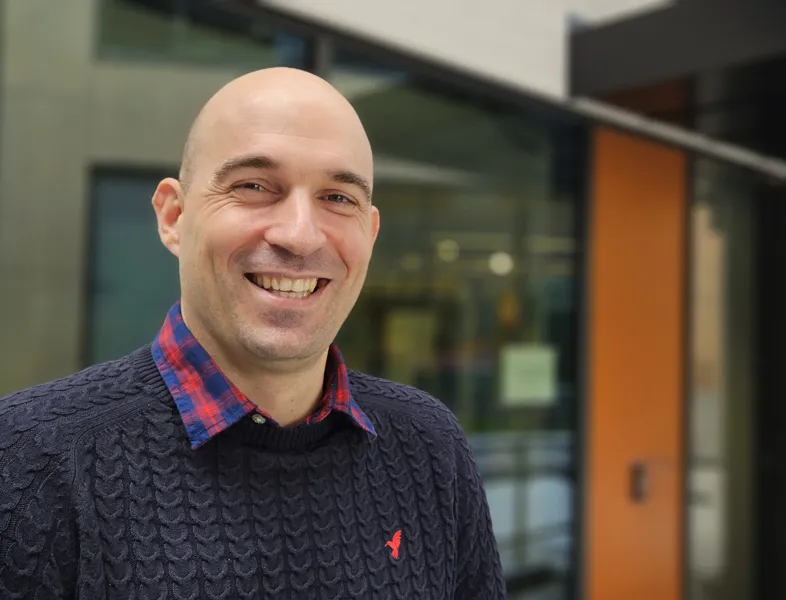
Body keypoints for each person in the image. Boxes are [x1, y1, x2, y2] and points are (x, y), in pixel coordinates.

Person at [0, 67, 507, 599]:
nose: (300, 235)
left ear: (370, 232)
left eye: (338, 198)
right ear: (174, 216)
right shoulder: (28, 461)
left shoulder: (429, 446)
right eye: (254, 187)